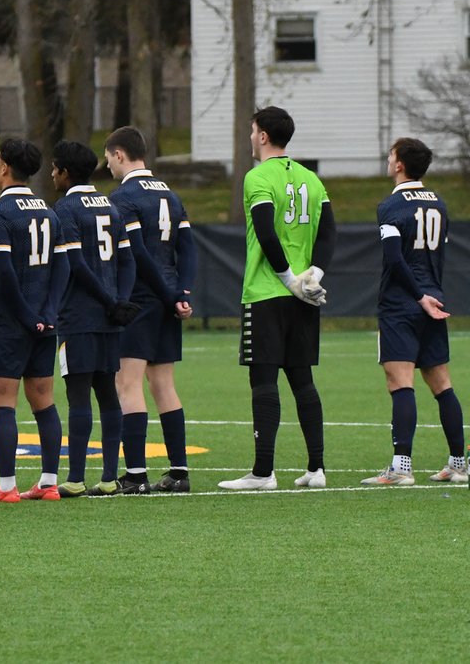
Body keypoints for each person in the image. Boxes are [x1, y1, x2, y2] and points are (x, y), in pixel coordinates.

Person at [219, 106, 335, 491]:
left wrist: (288, 279)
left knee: (263, 380)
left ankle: (263, 473)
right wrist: (312, 276)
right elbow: (329, 234)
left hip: (268, 292)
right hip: (304, 295)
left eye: (253, 131)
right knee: (303, 380)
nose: (251, 138)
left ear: (264, 135)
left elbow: (267, 234)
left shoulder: (257, 177)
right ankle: (316, 469)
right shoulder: (312, 180)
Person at [361, 138, 467, 486]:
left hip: (403, 303)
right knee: (442, 384)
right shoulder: (439, 203)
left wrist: (417, 295)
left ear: (400, 165)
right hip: (434, 301)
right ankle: (458, 463)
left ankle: (401, 467)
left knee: (400, 382)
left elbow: (395, 258)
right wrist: (428, 295)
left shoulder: (391, 206)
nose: (388, 161)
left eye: (391, 156)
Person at [105, 126, 197, 495]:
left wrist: (166, 293)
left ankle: (137, 474)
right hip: (168, 298)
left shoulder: (123, 196)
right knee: (163, 384)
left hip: (142, 298)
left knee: (127, 383)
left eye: (109, 157)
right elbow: (188, 248)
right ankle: (178, 472)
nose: (108, 164)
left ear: (121, 155)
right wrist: (181, 292)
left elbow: (138, 253)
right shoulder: (171, 195)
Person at [49, 140, 138, 498]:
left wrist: (106, 299)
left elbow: (75, 265)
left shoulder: (65, 208)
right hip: (109, 318)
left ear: (66, 172)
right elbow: (128, 260)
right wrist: (121, 301)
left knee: (78, 397)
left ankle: (75, 478)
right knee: (108, 394)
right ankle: (109, 477)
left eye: (55, 168)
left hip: (79, 316)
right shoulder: (111, 206)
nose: (52, 174)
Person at [0, 138, 69, 503]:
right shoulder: (50, 212)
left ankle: (6, 487)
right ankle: (48, 482)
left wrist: (26, 316)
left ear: (4, 167)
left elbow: (2, 273)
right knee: (44, 401)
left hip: (11, 322)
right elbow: (63, 267)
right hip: (45, 323)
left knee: (3, 401)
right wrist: (48, 313)